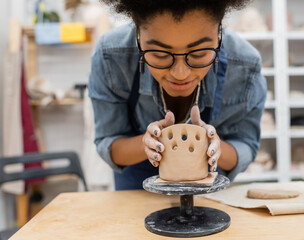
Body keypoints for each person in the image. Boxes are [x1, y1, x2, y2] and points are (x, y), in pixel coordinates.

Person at [88, 0, 267, 190]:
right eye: (159, 54)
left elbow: (246, 146)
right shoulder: (111, 56)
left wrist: (216, 148)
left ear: (219, 34)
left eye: (199, 53)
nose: (180, 73)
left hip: (208, 196)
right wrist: (148, 144)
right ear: (138, 35)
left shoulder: (245, 65)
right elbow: (108, 142)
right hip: (137, 191)